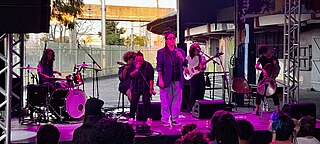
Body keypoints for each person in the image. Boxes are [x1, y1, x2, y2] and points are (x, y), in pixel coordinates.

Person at [156, 30, 188, 126]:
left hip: (178, 78)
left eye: (174, 38)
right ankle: (165, 118)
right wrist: (160, 79)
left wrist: (182, 58)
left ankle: (175, 118)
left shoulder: (180, 51)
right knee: (166, 100)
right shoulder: (161, 52)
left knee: (177, 100)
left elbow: (185, 64)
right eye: (170, 39)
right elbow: (159, 66)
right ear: (166, 40)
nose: (172, 40)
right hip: (166, 79)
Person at [127, 51, 155, 124]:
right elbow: (130, 76)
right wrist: (136, 70)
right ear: (135, 60)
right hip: (136, 86)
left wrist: (151, 89)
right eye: (138, 61)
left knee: (146, 102)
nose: (139, 62)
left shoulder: (148, 65)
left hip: (145, 86)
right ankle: (131, 117)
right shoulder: (132, 65)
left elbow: (151, 78)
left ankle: (148, 118)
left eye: (141, 61)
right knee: (134, 102)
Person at [253, 44, 280, 115]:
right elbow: (256, 66)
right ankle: (257, 109)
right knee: (259, 93)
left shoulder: (274, 58)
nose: (266, 53)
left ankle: (277, 110)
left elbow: (277, 69)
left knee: (274, 93)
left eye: (266, 52)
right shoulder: (262, 58)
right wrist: (263, 70)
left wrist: (276, 64)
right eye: (264, 53)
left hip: (271, 78)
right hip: (263, 78)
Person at [185, 43, 207, 111]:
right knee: (193, 92)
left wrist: (202, 67)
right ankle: (191, 107)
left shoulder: (202, 57)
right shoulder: (188, 57)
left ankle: (200, 108)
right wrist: (186, 69)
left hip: (200, 75)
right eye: (196, 50)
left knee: (201, 90)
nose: (198, 51)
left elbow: (204, 68)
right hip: (192, 76)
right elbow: (185, 66)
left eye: (198, 50)